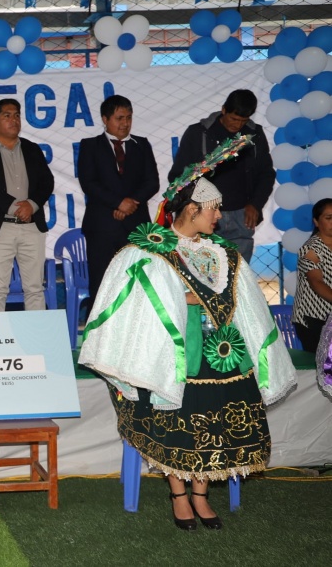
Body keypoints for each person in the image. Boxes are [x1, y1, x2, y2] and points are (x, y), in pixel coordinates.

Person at [79, 153, 296, 531]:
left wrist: (209, 300)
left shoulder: (221, 252)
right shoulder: (148, 250)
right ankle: (178, 494)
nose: (219, 217)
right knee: (176, 419)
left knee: (218, 418)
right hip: (172, 353)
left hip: (222, 351)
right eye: (213, 209)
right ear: (192, 209)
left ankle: (201, 493)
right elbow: (137, 303)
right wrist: (183, 300)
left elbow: (243, 300)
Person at [168, 89, 276, 262]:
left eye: (243, 121)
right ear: (224, 110)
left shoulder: (254, 134)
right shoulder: (198, 133)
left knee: (239, 272)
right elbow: (178, 176)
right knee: (202, 270)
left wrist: (255, 204)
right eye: (234, 119)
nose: (237, 125)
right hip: (203, 214)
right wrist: (198, 207)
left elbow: (266, 174)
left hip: (242, 215)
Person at [0, 98, 54, 312]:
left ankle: (36, 333)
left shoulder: (32, 149)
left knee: (35, 288)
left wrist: (32, 205)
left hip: (32, 227)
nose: (13, 120)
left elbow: (47, 182)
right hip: (0, 228)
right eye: (7, 116)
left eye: (17, 115)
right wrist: (14, 207)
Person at [78, 95, 159, 300]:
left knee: (139, 283)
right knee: (102, 284)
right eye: (119, 118)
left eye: (129, 118)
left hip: (136, 224)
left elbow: (152, 182)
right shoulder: (90, 146)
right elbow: (89, 183)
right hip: (102, 227)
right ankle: (99, 321)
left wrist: (130, 203)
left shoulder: (141, 144)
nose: (125, 123)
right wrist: (118, 203)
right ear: (105, 119)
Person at [292, 198, 332, 351]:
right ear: (316, 222)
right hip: (313, 318)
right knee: (321, 363)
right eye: (328, 218)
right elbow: (316, 282)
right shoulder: (310, 249)